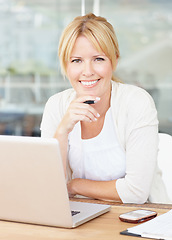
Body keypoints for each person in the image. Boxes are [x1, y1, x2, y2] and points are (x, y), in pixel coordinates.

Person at [40, 13, 170, 204]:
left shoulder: (136, 102)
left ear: (114, 60)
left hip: (138, 217)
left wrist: (75, 185)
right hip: (77, 215)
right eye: (76, 60)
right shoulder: (56, 105)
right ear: (66, 65)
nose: (87, 71)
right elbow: (48, 186)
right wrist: (62, 131)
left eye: (98, 59)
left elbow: (135, 192)